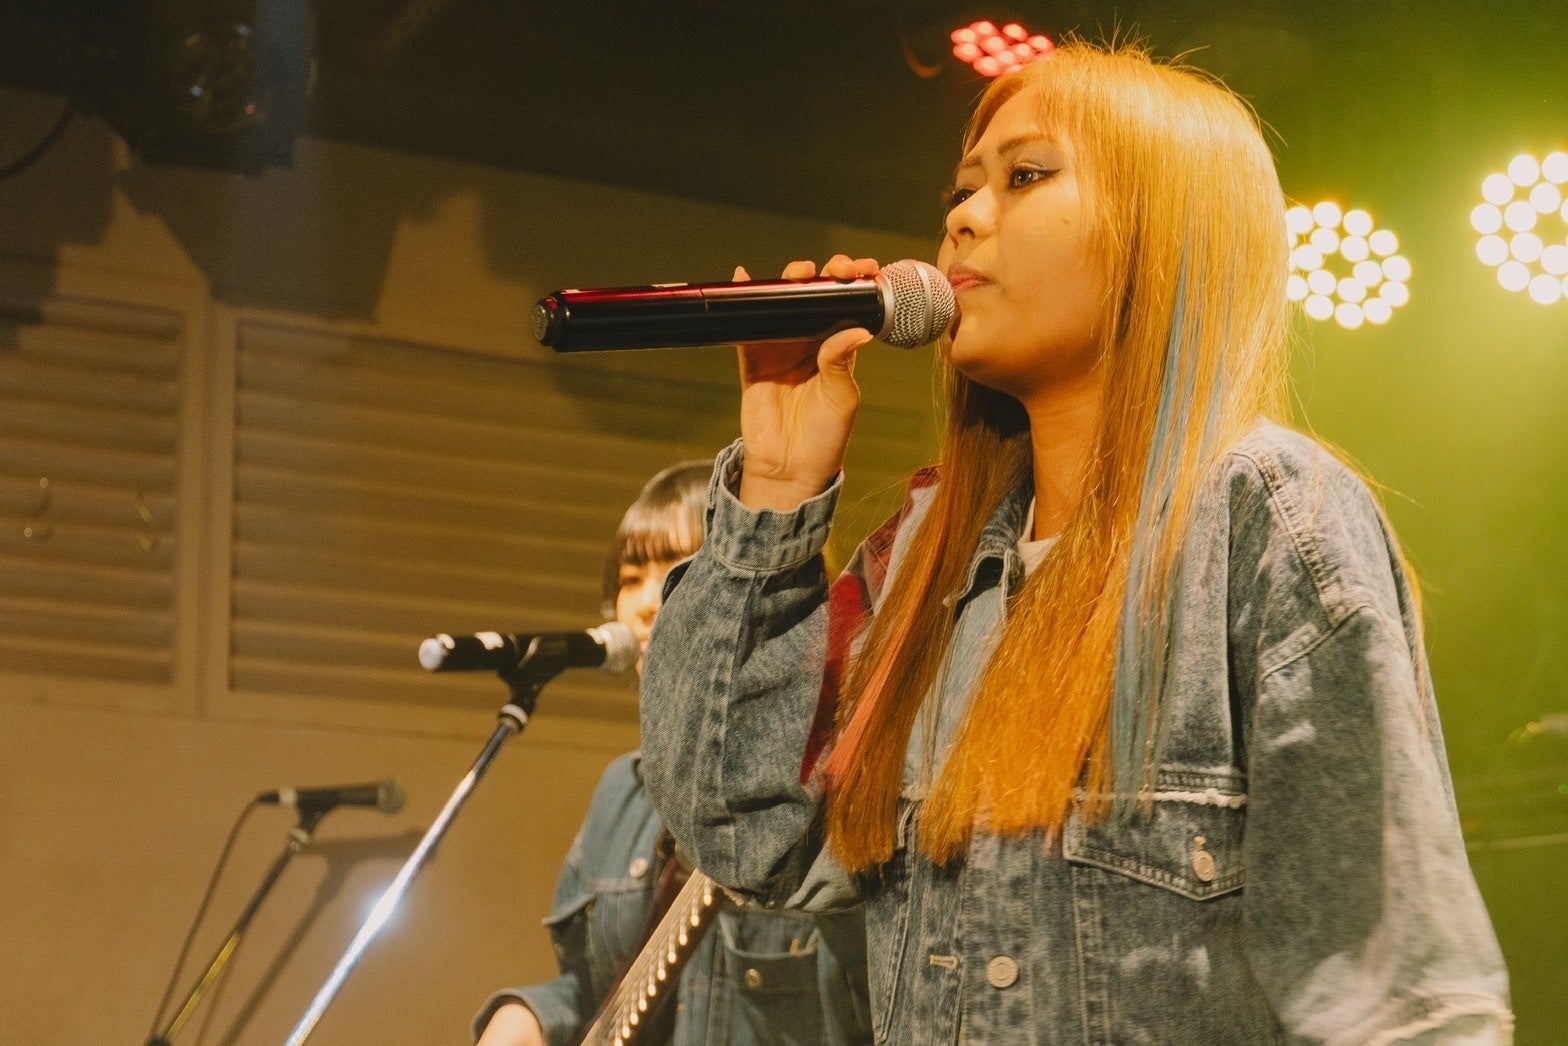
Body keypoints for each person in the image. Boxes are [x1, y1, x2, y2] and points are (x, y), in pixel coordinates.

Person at [637, 41, 1512, 1045]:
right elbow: (750, 839)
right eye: (961, 189)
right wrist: (777, 486)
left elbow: (1398, 999)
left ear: (1161, 229)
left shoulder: (1268, 517)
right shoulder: (923, 558)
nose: (963, 218)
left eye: (1024, 176)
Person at [472, 461, 873, 1046]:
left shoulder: (829, 786)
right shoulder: (621, 791)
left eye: (678, 569)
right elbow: (592, 989)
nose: (642, 603)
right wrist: (527, 1017)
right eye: (630, 578)